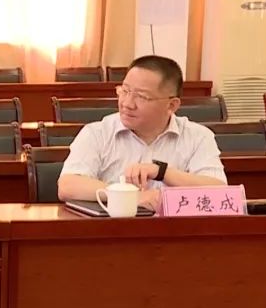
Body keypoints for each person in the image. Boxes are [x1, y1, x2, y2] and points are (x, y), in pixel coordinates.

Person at [57, 55, 226, 209]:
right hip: (112, 230)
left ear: (171, 105)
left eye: (142, 96)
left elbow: (219, 193)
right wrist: (130, 196)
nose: (127, 103)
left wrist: (163, 172)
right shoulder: (97, 133)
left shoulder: (198, 137)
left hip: (176, 231)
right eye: (125, 91)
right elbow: (67, 186)